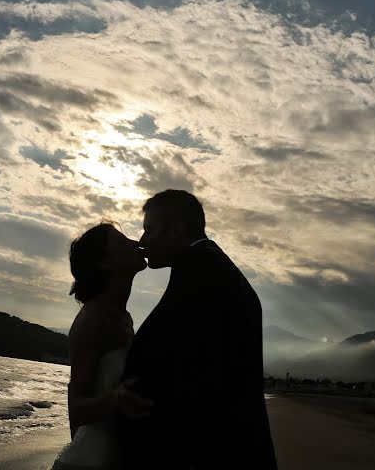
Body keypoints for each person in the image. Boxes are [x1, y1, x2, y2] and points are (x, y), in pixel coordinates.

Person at [118, 190, 278, 470]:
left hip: (209, 452)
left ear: (178, 230)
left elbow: (176, 362)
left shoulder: (200, 269)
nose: (142, 241)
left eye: (149, 230)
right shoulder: (212, 267)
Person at [52, 220, 154, 470]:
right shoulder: (93, 319)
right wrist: (115, 400)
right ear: (104, 262)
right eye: (121, 242)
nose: (135, 243)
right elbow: (75, 410)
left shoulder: (124, 318)